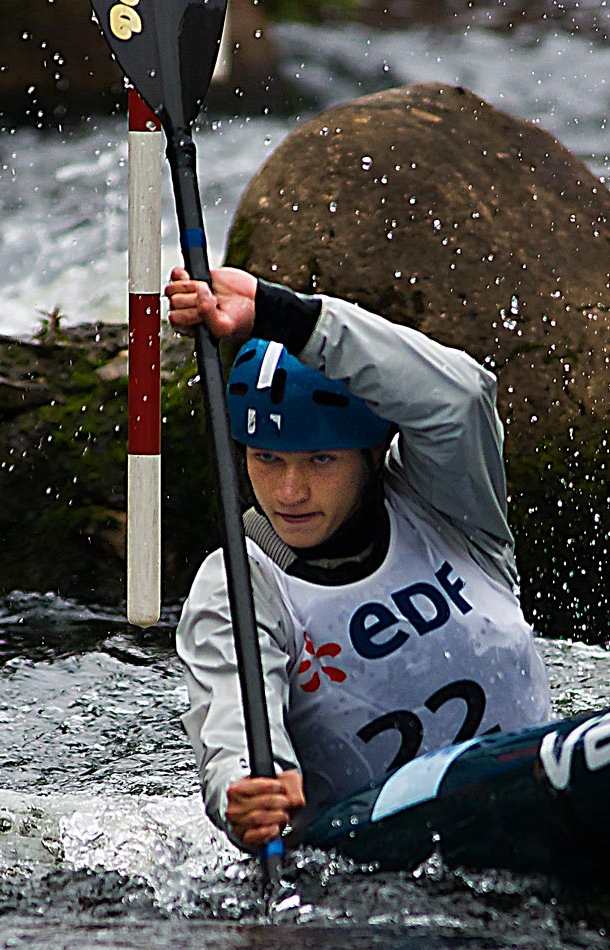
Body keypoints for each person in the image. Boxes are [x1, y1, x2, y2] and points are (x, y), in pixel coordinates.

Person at [166, 265, 552, 853]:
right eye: (267, 459)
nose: (289, 492)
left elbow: (462, 395)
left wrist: (287, 317)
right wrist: (244, 793)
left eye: (320, 460)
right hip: (384, 877)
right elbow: (236, 729)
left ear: (374, 451)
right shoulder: (240, 586)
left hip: (534, 803)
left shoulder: (449, 507)